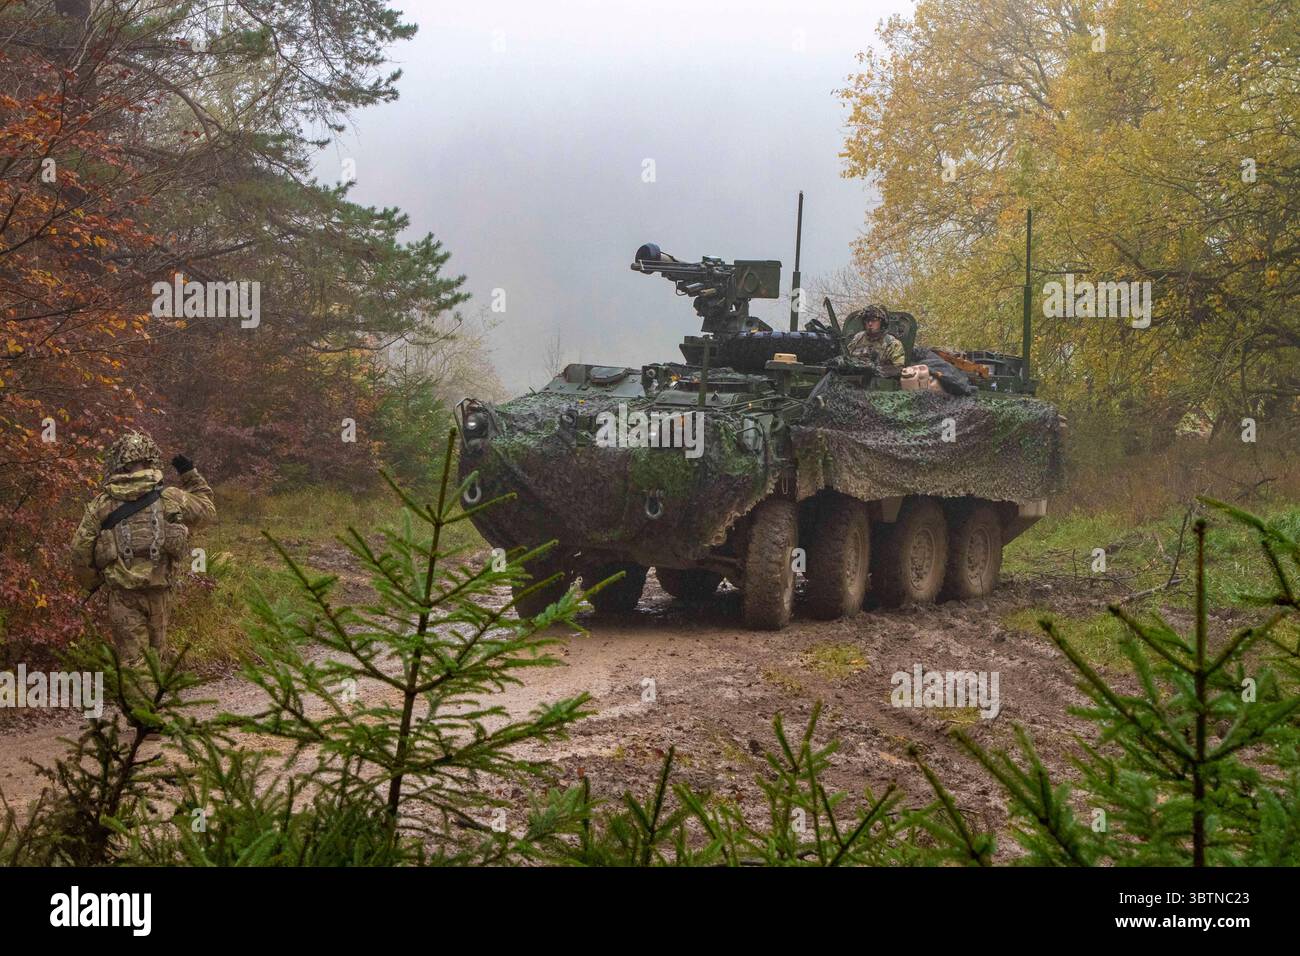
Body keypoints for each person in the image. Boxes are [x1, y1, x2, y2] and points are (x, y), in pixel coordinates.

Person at [70, 430, 216, 663]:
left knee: (133, 664)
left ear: (120, 464)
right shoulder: (171, 497)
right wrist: (190, 475)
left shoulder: (102, 504)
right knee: (156, 659)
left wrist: (94, 582)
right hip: (159, 592)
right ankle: (152, 698)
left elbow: (80, 551)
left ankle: (141, 698)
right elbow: (207, 512)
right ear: (151, 462)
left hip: (122, 595)